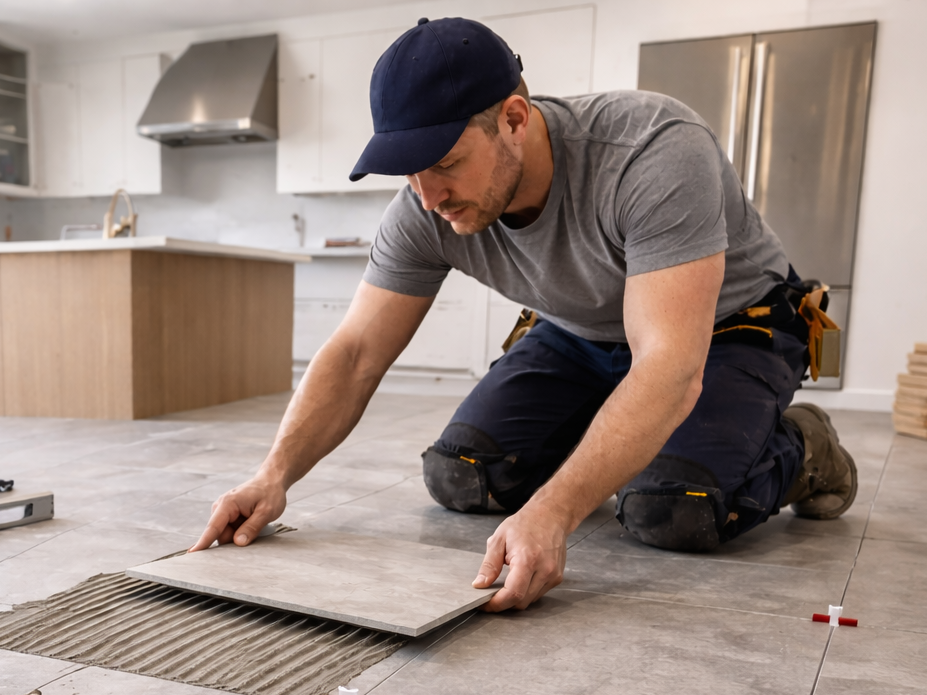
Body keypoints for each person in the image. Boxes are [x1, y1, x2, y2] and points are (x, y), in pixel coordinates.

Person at [191, 17, 857, 612]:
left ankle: (804, 446)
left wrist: (555, 509)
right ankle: (616, 443)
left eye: (446, 163)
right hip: (577, 331)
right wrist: (271, 475)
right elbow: (357, 353)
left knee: (670, 510)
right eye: (409, 174)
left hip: (724, 331)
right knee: (461, 473)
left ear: (514, 116)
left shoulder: (651, 151)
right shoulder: (424, 209)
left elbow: (668, 365)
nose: (428, 198)